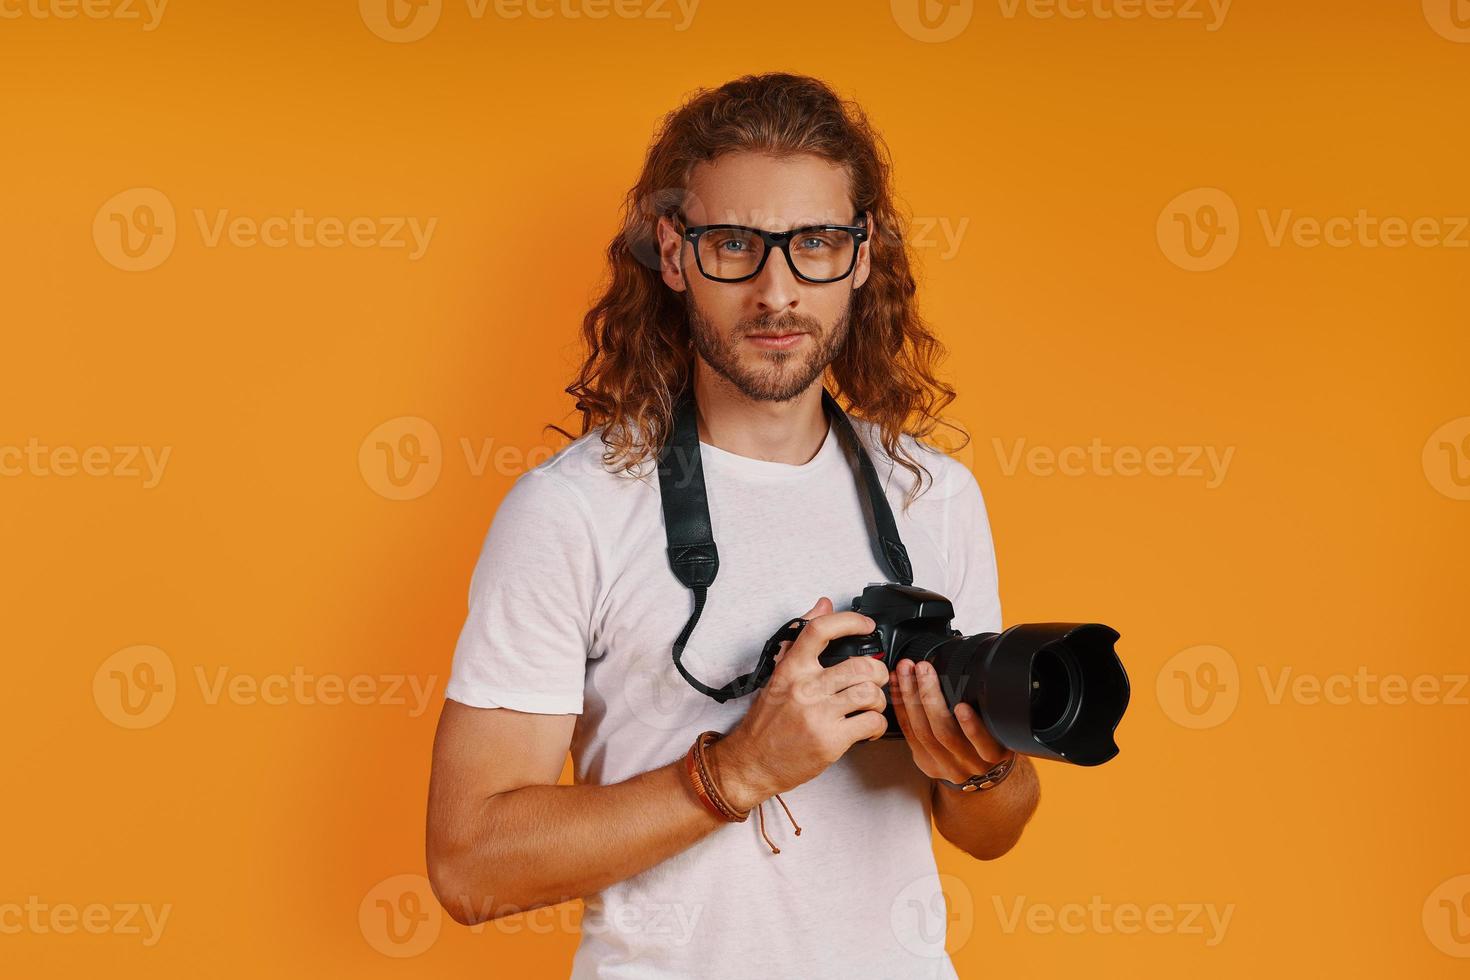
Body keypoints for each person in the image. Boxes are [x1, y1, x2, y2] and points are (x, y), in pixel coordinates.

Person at [426, 71, 1040, 979]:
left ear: (863, 254)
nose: (777, 292)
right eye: (734, 246)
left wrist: (979, 769)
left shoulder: (932, 496)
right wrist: (739, 770)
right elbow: (468, 865)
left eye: (816, 244)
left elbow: (991, 832)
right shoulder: (575, 509)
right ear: (673, 254)